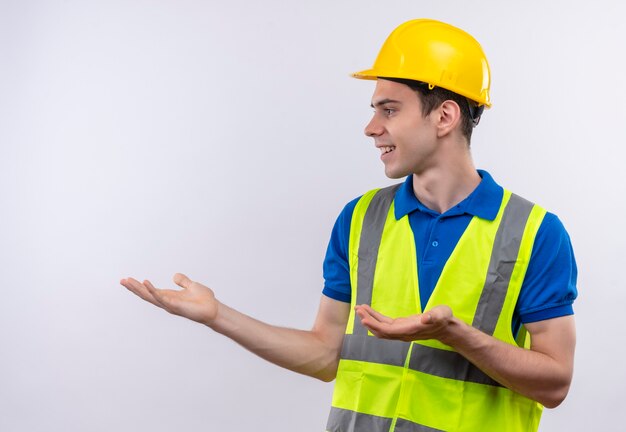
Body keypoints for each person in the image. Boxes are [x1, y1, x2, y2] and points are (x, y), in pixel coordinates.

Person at [121, 18, 577, 432]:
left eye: (389, 109)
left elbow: (555, 384)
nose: (371, 127)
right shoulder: (361, 219)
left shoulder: (535, 233)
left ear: (444, 116)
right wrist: (218, 316)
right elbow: (324, 355)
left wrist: (455, 335)